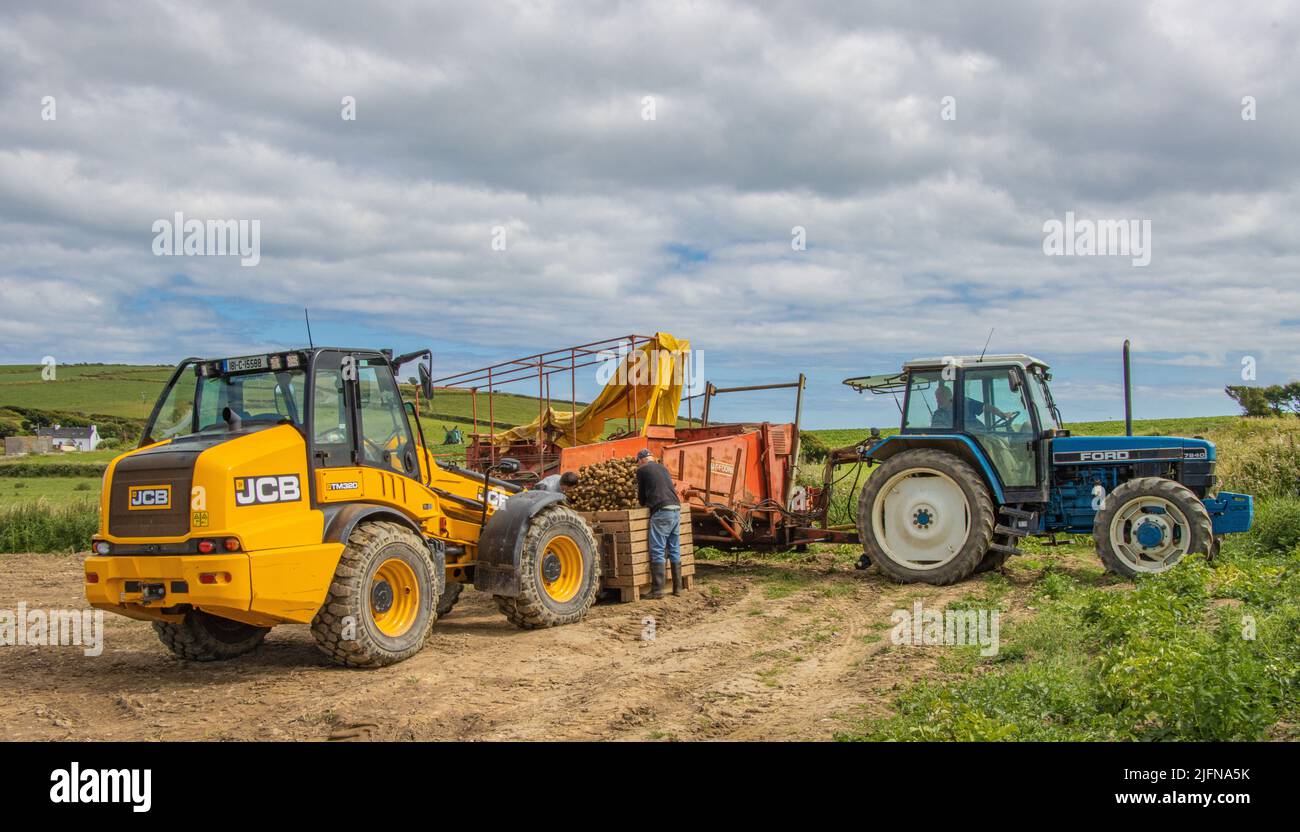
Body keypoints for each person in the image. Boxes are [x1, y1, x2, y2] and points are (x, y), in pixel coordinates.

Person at [635, 448, 681, 598]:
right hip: (675, 508)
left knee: (658, 549)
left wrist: (642, 503)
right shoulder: (663, 468)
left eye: (638, 462)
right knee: (674, 548)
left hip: (661, 510)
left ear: (641, 460)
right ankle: (677, 589)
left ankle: (658, 591)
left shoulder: (642, 470)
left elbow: (642, 493)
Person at [932, 382, 1010, 429]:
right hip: (968, 439)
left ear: (950, 396)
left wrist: (1002, 414)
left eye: (941, 397)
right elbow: (939, 430)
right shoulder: (938, 415)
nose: (938, 401)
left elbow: (986, 407)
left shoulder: (965, 403)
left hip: (979, 434)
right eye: (937, 398)